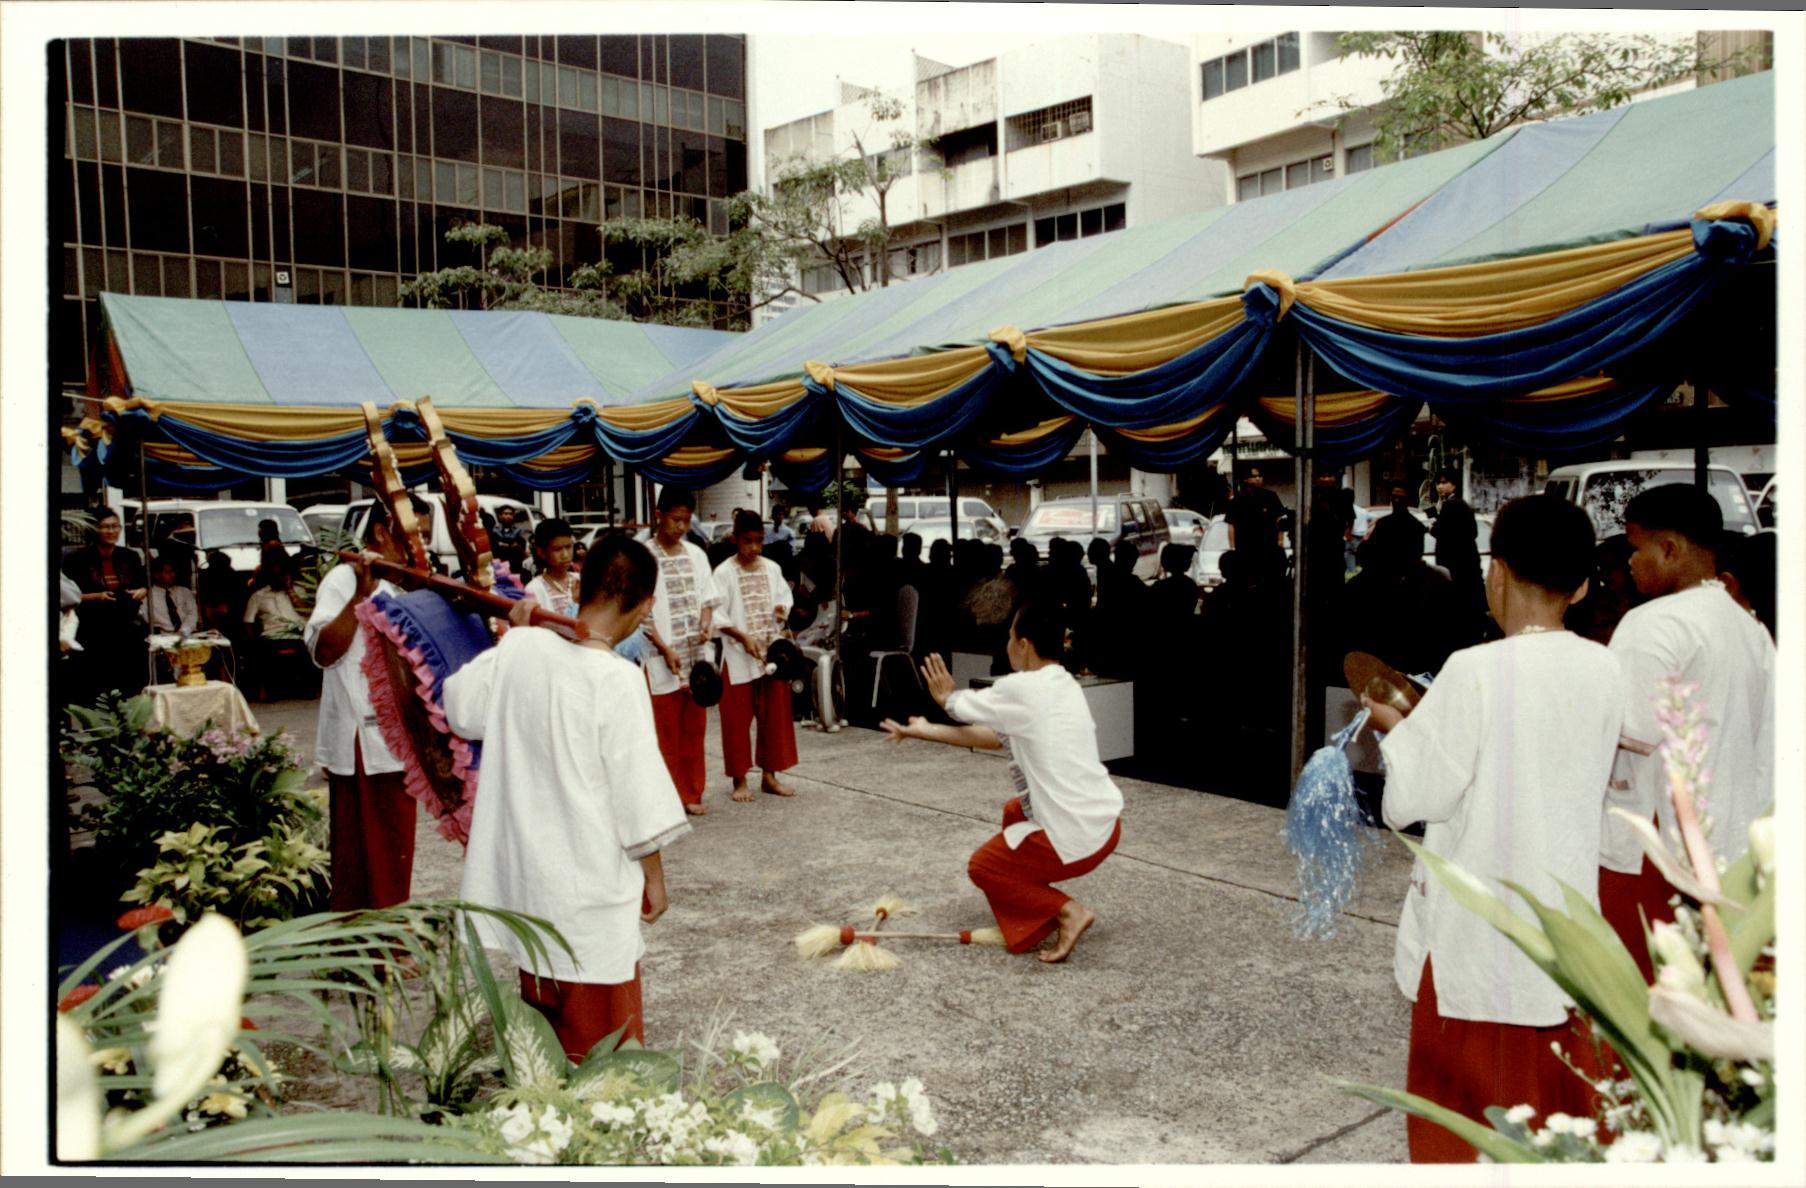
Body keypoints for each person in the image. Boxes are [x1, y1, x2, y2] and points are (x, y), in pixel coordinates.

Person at [1362, 494, 1622, 1163]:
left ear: (1494, 572)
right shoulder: (1605, 665)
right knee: (1553, 1124)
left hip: (1479, 939)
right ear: (1583, 586)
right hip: (1565, 936)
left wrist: (1397, 731)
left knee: (1463, 1130)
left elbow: (1414, 799)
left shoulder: (1474, 669)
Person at [445, 534, 688, 1060]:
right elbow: (638, 797)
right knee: (602, 1052)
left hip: (530, 888)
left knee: (545, 1044)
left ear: (579, 586)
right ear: (646, 605)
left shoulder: (523, 650)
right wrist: (655, 878)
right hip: (587, 894)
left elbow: (460, 708)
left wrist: (514, 636)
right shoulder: (618, 678)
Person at [1599, 485, 1775, 981]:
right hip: (1734, 852)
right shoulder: (1750, 627)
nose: (1629, 562)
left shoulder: (1652, 623)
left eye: (1635, 548)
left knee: (1636, 996)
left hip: (1657, 854)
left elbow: (1626, 730)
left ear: (1669, 549)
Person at [881, 603, 1123, 963]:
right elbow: (995, 737)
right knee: (1014, 813)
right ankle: (1038, 912)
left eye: (1009, 637)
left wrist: (945, 697)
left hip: (1080, 835)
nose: (1007, 644)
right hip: (1106, 824)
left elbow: (959, 706)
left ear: (1023, 645)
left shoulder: (1023, 686)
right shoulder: (1063, 683)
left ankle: (1068, 912)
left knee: (984, 866)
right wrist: (925, 731)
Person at [304, 496, 426, 911]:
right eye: (414, 535)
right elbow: (323, 652)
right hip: (360, 739)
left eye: (424, 537)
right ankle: (364, 933)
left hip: (398, 735)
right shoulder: (343, 579)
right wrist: (360, 593)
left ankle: (389, 929)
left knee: (394, 845)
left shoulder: (400, 583)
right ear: (380, 532)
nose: (420, 546)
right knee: (360, 850)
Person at [640, 490, 722, 815]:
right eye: (676, 520)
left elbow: (707, 599)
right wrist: (664, 648)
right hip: (661, 657)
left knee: (694, 730)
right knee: (665, 733)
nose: (681, 527)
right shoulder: (644, 556)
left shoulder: (696, 554)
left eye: (687, 521)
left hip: (695, 657)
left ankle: (691, 792)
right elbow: (641, 612)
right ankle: (667, 798)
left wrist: (705, 624)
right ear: (659, 515)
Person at [713, 509, 798, 801]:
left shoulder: (772, 568)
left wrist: (781, 611)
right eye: (747, 540)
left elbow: (784, 599)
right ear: (735, 539)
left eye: (759, 540)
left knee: (774, 717)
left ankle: (769, 776)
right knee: (736, 720)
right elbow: (716, 614)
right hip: (738, 655)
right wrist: (742, 636)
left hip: (770, 651)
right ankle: (739, 780)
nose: (754, 547)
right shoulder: (723, 572)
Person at [62, 508, 149, 698]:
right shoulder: (76, 559)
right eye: (105, 527)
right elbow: (67, 596)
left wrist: (143, 590)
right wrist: (96, 596)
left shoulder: (130, 556)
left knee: (131, 686)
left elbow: (144, 584)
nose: (111, 531)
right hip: (93, 631)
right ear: (94, 529)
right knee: (98, 689)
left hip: (126, 629)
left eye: (115, 526)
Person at [1227, 466, 1285, 581]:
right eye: (1254, 476)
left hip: (1269, 550)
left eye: (1260, 476)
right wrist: (1233, 547)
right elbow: (1231, 526)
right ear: (1246, 479)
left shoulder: (1271, 497)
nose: (1258, 478)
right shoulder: (1238, 501)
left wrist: (1280, 541)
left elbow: (1279, 520)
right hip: (1245, 552)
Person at [524, 518, 580, 617]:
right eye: (557, 549)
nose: (565, 555)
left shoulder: (581, 580)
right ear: (541, 552)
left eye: (568, 547)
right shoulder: (534, 589)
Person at [147, 556, 200, 636]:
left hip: (187, 635)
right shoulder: (148, 597)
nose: (173, 575)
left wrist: (183, 632)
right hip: (163, 637)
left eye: (173, 572)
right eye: (168, 573)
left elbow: (192, 615)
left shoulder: (184, 592)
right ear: (156, 575)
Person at [489, 504, 531, 576]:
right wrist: (510, 545)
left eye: (510, 514)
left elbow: (520, 546)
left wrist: (505, 545)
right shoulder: (494, 530)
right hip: (499, 564)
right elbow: (494, 547)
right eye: (505, 514)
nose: (508, 516)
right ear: (500, 516)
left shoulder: (518, 530)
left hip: (514, 566)